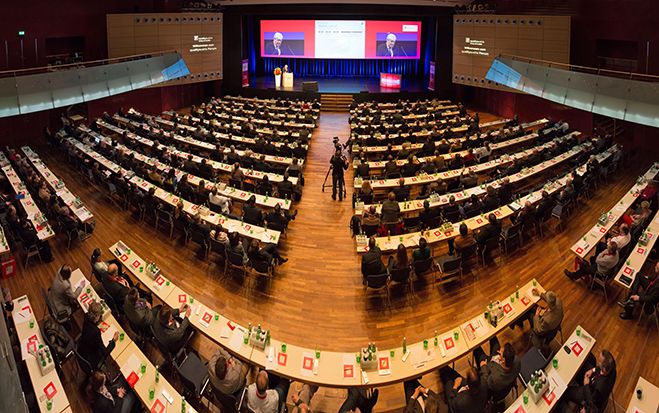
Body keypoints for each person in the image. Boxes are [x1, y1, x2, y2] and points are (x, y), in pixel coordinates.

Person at [79, 301, 118, 370]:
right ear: (97, 316)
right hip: (90, 357)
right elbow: (105, 352)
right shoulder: (96, 332)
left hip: (81, 349)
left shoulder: (86, 316)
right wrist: (113, 341)